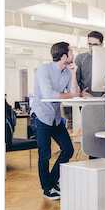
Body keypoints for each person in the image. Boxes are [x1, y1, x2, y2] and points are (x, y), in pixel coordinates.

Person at [31, 41, 79, 200]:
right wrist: (70, 95)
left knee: (68, 149)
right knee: (44, 154)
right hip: (41, 116)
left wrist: (73, 75)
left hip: (56, 118)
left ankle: (51, 181)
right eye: (71, 53)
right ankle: (47, 189)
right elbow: (48, 94)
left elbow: (75, 92)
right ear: (64, 56)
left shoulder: (66, 73)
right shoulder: (43, 70)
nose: (73, 55)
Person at [75, 30, 104, 95]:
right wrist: (81, 93)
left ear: (102, 45)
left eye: (95, 45)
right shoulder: (80, 58)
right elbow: (75, 82)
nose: (92, 47)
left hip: (104, 99)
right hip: (86, 98)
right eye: (90, 44)